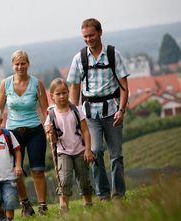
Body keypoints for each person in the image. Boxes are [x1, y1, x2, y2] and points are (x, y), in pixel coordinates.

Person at [67, 18, 130, 201]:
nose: (88, 39)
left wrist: (122, 109)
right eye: (85, 36)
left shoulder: (113, 54)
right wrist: (76, 113)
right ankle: (103, 194)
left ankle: (118, 193)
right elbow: (75, 87)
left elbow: (124, 86)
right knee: (95, 152)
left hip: (112, 111)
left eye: (91, 35)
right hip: (89, 114)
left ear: (100, 33)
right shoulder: (79, 58)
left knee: (116, 155)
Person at [0, 50, 49, 216]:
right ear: (12, 65)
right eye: (17, 64)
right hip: (13, 134)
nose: (20, 67)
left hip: (35, 131)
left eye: (23, 63)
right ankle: (25, 205)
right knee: (16, 171)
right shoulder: (5, 84)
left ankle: (42, 206)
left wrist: (50, 127)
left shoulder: (37, 84)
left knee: (38, 170)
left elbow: (46, 110)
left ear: (28, 64)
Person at [45, 78, 94, 213]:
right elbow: (52, 140)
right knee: (64, 179)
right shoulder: (51, 115)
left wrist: (88, 149)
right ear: (52, 96)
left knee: (83, 178)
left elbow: (85, 130)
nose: (62, 96)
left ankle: (88, 203)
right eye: (58, 94)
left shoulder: (76, 110)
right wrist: (50, 133)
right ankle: (64, 206)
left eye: (64, 93)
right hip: (63, 151)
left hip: (80, 150)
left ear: (68, 92)